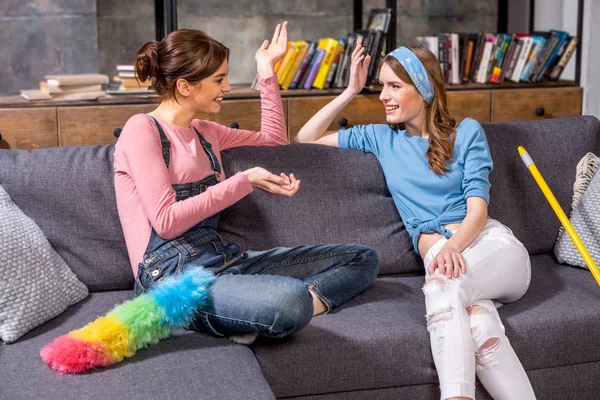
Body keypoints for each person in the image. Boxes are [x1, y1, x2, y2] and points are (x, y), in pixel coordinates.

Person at [113, 23, 380, 345]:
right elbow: (167, 223)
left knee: (362, 258)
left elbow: (274, 140)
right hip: (172, 281)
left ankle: (251, 313)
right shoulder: (142, 129)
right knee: (286, 300)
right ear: (185, 86)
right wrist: (243, 181)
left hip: (222, 261)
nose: (226, 86)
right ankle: (260, 311)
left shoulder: (205, 131)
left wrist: (266, 70)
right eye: (218, 79)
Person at [295, 43, 535, 400]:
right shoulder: (380, 138)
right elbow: (304, 140)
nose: (383, 97)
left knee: (442, 284)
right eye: (381, 87)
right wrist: (349, 91)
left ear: (422, 89)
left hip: (493, 250)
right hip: (450, 264)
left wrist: (452, 247)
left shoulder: (466, 132)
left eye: (394, 86)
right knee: (481, 328)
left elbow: (478, 210)